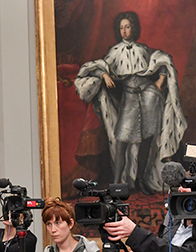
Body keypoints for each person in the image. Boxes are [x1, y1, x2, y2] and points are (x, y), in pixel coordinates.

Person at [75, 11, 186, 194]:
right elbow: (99, 67)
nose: (125, 31)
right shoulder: (115, 51)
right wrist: (103, 74)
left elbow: (165, 61)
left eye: (127, 27)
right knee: (121, 141)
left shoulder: (143, 49)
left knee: (146, 141)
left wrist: (161, 79)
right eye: (121, 28)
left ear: (133, 28)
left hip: (149, 97)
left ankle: (141, 180)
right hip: (129, 98)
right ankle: (118, 182)